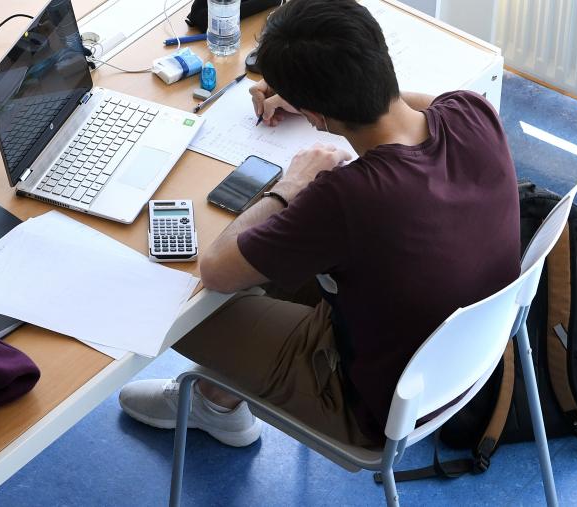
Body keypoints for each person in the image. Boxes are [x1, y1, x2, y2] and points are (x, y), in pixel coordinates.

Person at [119, 0, 520, 447]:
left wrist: (289, 184)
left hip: (368, 404)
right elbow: (394, 104)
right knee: (284, 261)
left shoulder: (348, 197)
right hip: (460, 360)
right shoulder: (472, 111)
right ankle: (219, 396)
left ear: (315, 117)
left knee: (179, 310)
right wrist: (317, 95)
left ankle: (213, 402)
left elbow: (215, 268)